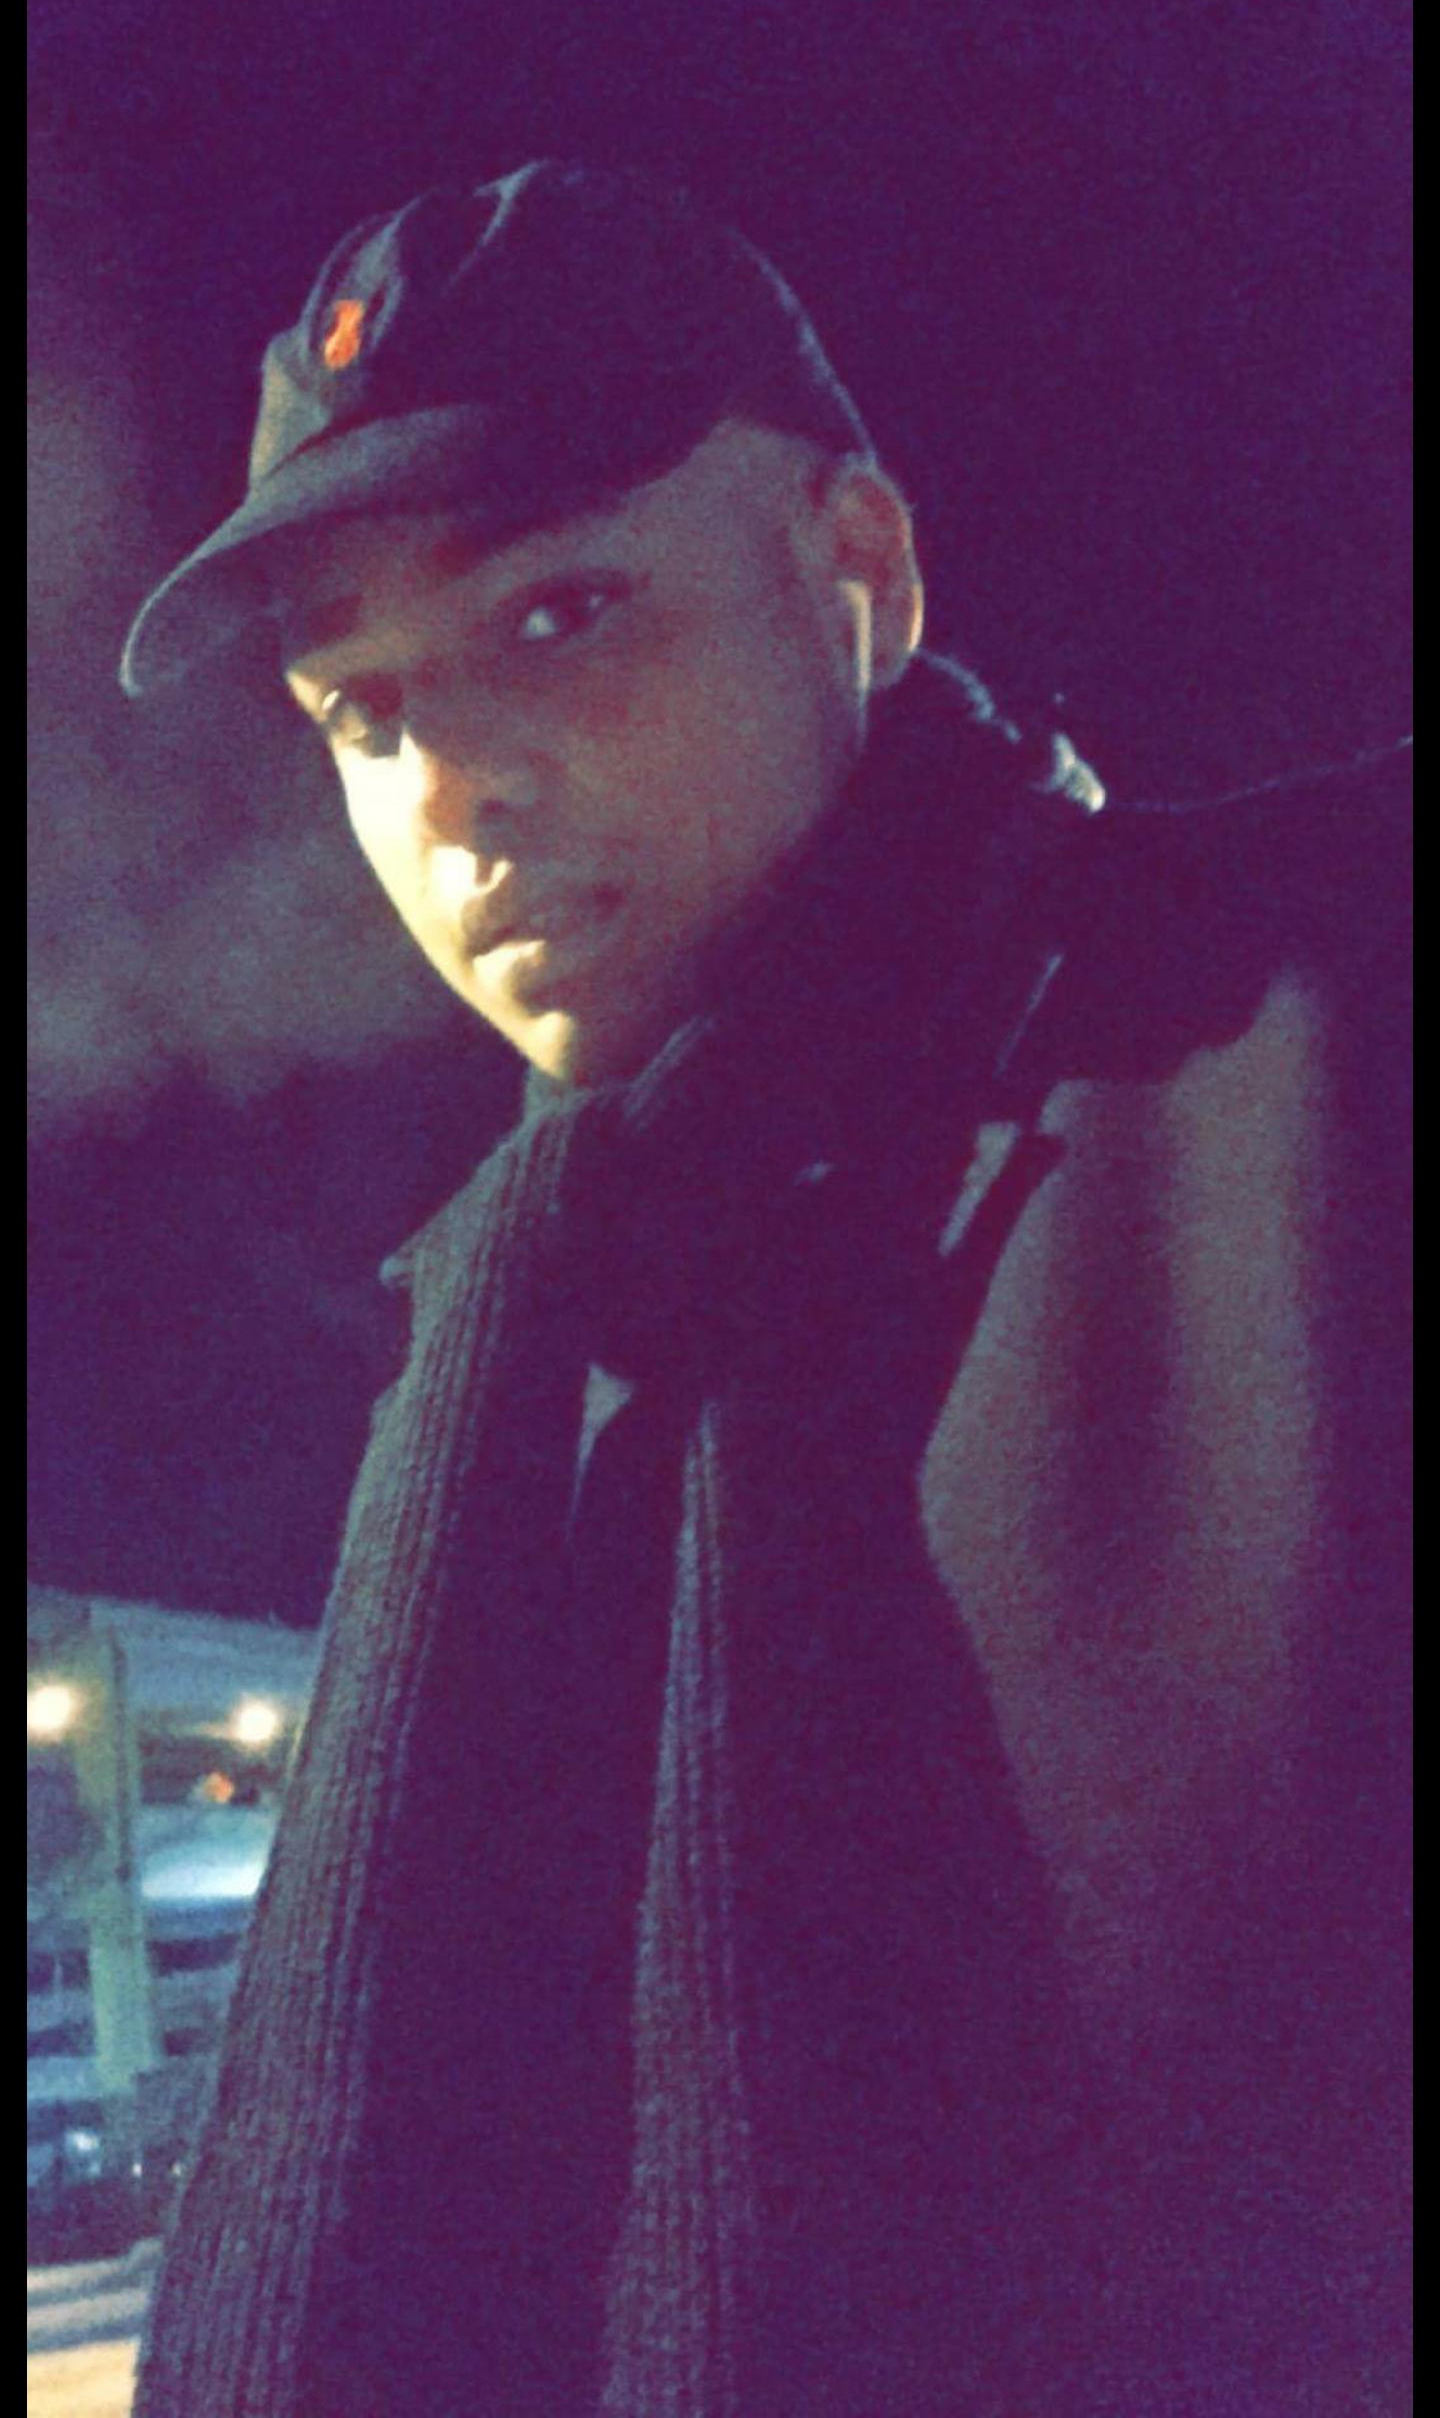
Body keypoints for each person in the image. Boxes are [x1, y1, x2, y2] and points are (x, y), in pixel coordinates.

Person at [118, 161, 1410, 2416]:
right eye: (362, 713)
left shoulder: (1317, 1019)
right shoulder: (511, 1366)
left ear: (861, 566)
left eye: (559, 613)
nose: (456, 792)